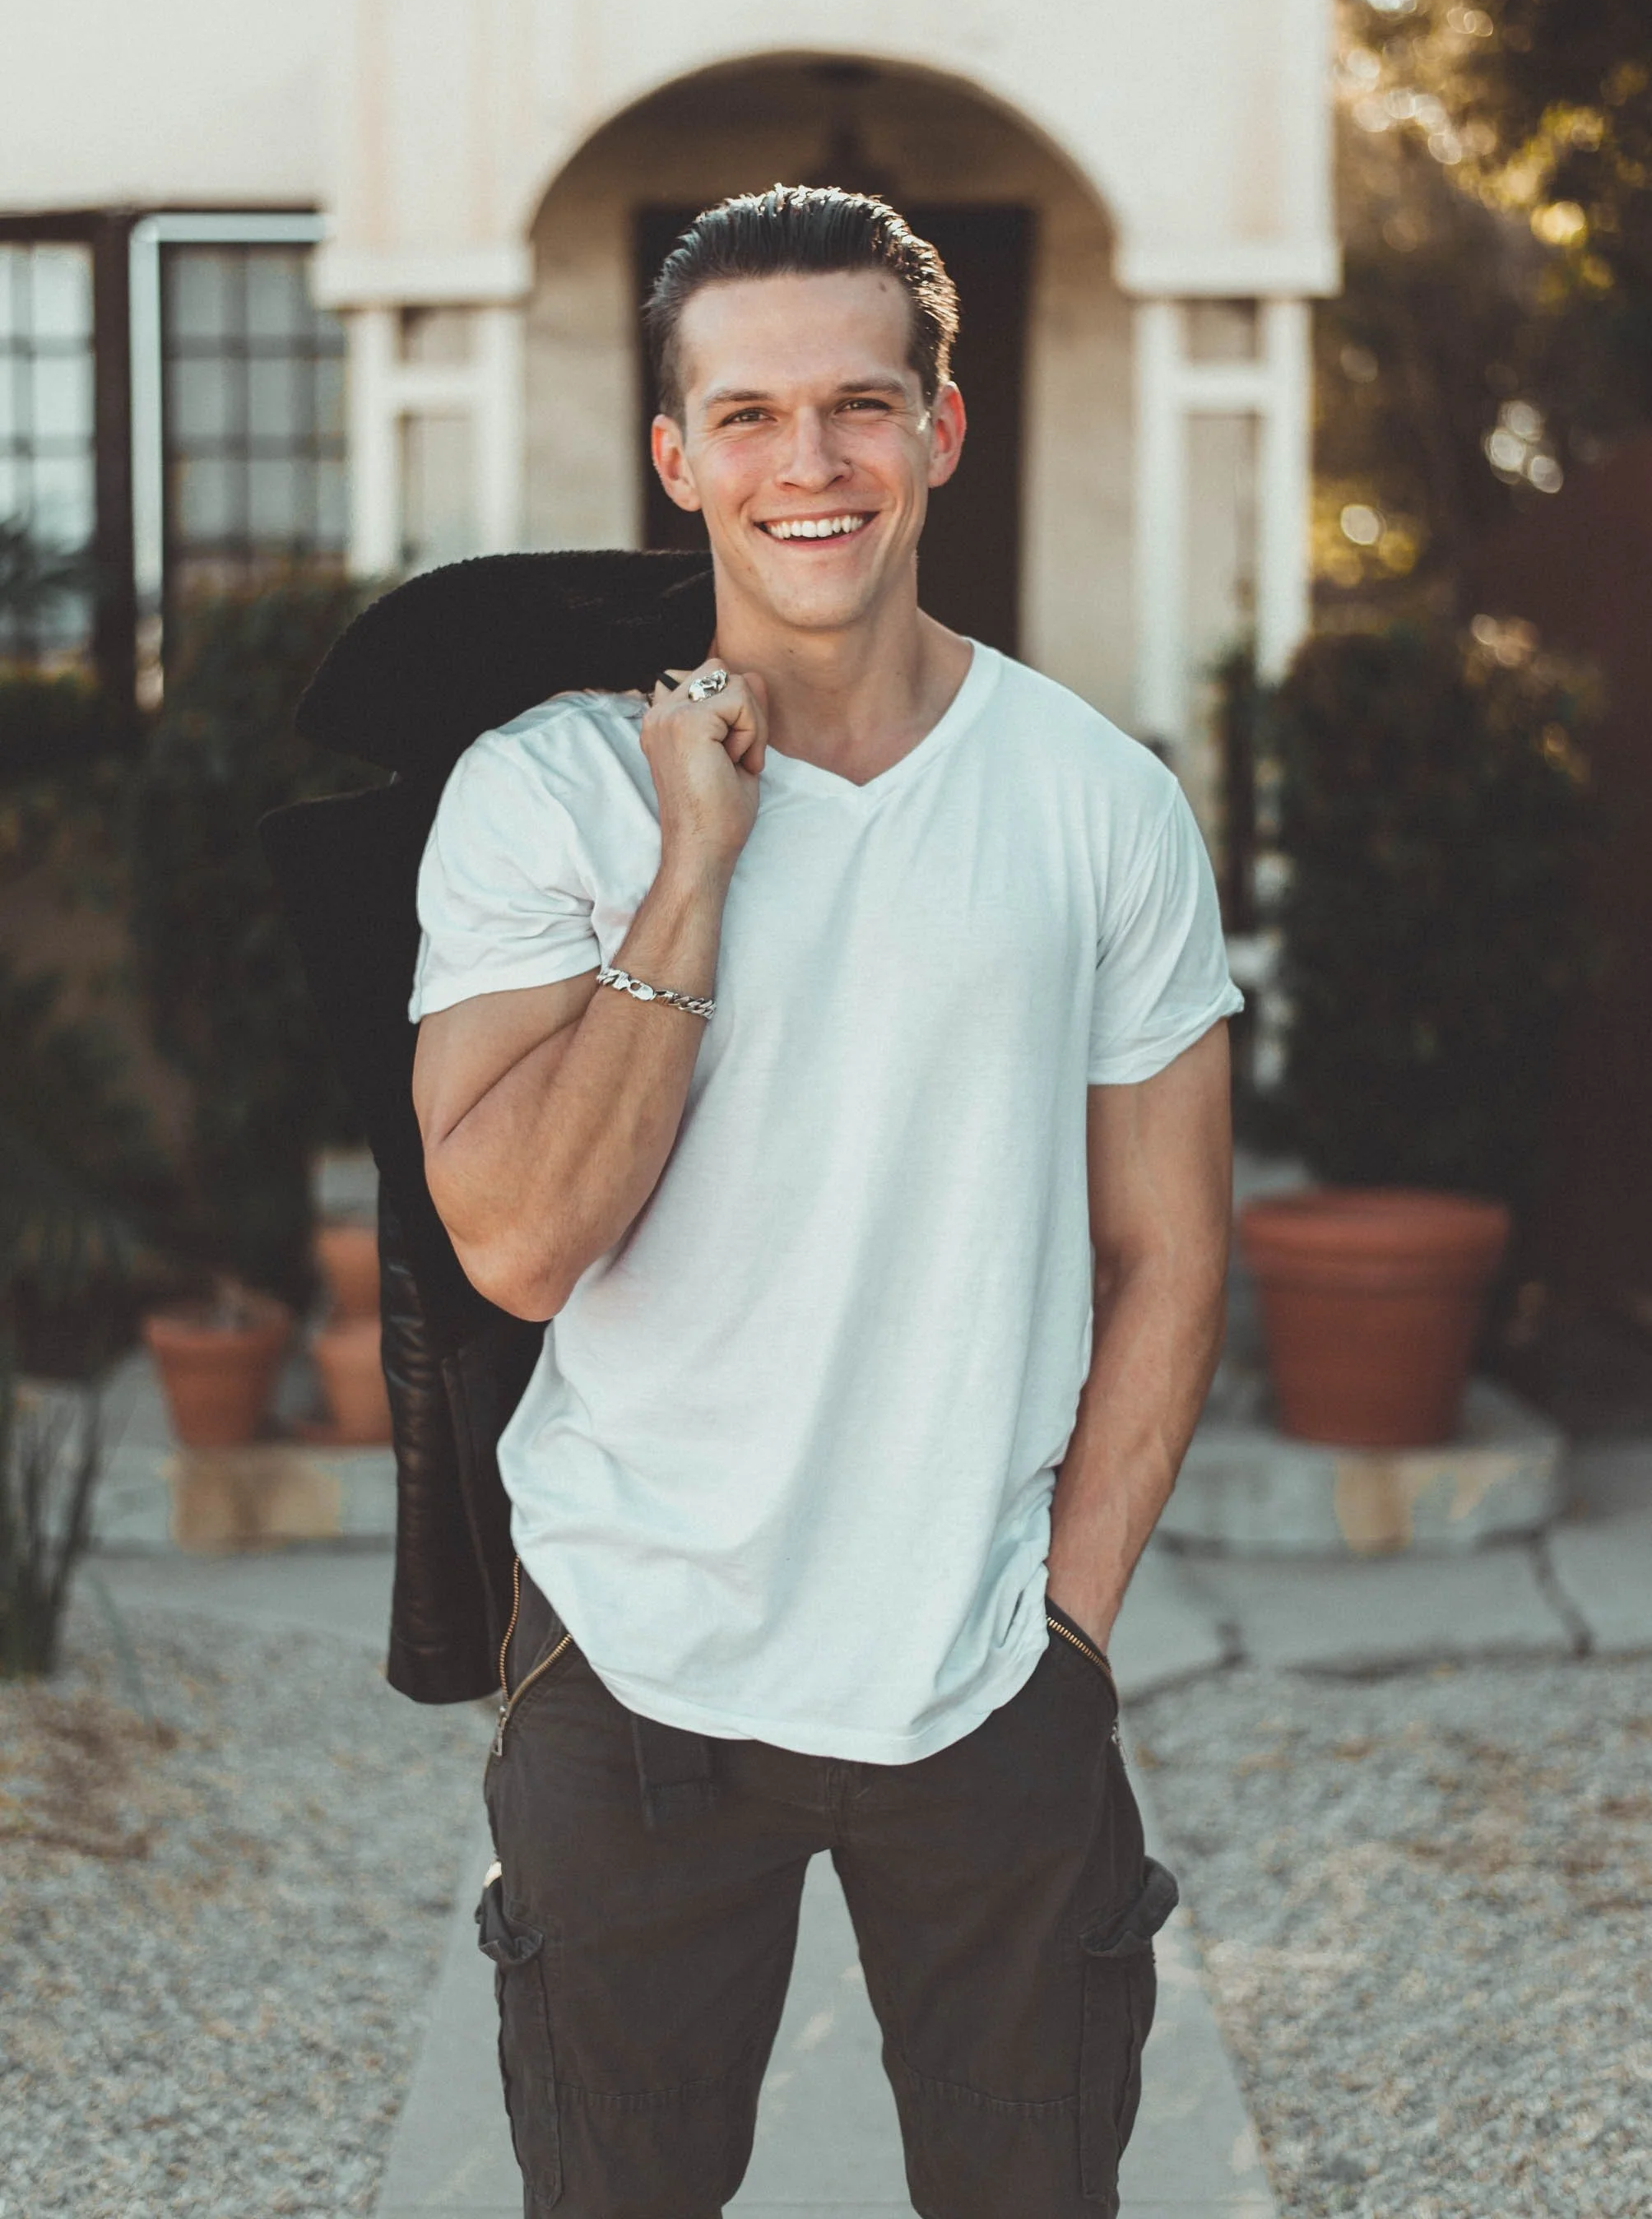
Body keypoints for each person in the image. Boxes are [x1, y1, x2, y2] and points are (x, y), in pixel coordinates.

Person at [408, 184, 1241, 2219]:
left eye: (860, 406)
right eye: (753, 415)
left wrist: (1064, 1625)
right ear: (679, 457)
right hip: (632, 1667)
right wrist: (694, 864)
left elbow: (1167, 1250)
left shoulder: (1097, 800)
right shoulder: (547, 795)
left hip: (979, 1677)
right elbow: (515, 1238)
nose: (811, 464)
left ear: (941, 432)